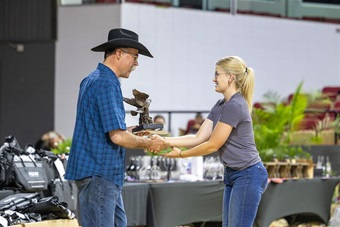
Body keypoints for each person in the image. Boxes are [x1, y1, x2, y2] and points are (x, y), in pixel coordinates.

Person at [64, 28, 168, 227]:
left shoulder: (91, 79)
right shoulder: (107, 83)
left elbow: (102, 129)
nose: (137, 63)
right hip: (100, 175)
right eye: (135, 57)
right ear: (119, 53)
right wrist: (148, 142)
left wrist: (129, 132)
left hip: (97, 174)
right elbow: (117, 138)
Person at [162, 56, 268, 227]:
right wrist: (165, 140)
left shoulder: (235, 105)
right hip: (233, 173)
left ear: (230, 77)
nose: (214, 79)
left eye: (217, 74)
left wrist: (181, 154)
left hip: (248, 174)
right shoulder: (221, 104)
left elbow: (212, 144)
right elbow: (198, 137)